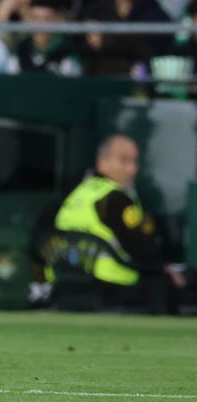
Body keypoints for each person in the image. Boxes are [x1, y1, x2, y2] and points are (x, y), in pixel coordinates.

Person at [48, 135, 186, 314]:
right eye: (124, 161)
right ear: (102, 162)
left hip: (65, 286)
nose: (132, 169)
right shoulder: (115, 198)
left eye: (134, 161)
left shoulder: (77, 195)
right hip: (112, 289)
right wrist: (164, 269)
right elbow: (141, 248)